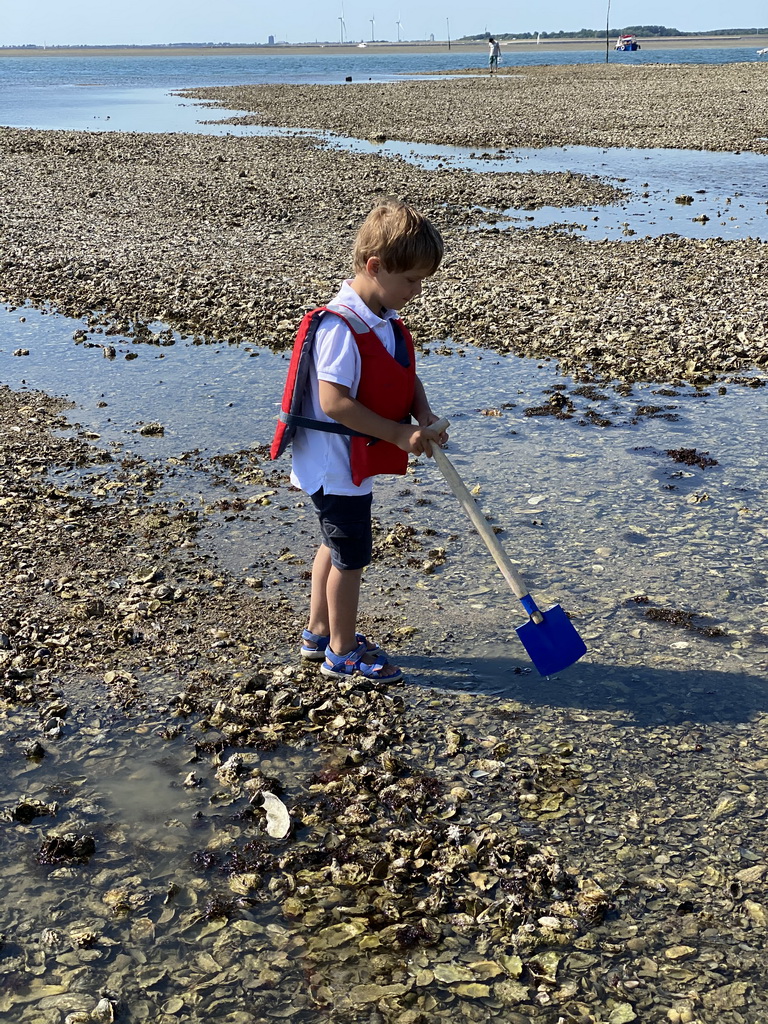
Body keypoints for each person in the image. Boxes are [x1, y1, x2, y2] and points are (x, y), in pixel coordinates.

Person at [271, 199, 447, 683]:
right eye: (410, 280)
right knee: (351, 558)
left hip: (349, 463)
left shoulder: (381, 317)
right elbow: (334, 402)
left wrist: (423, 415)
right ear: (375, 267)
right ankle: (342, 653)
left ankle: (317, 633)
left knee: (333, 545)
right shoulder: (341, 327)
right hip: (334, 464)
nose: (416, 290)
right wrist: (396, 433)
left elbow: (401, 371)